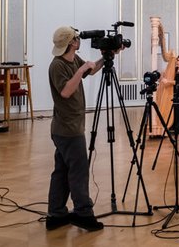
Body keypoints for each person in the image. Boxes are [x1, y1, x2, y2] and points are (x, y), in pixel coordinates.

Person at [46, 26, 111, 231]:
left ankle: (56, 214)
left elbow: (90, 70)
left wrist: (106, 58)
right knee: (79, 172)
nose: (79, 40)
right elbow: (66, 91)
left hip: (70, 127)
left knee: (62, 171)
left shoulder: (74, 59)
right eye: (76, 38)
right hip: (67, 129)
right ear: (72, 42)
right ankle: (83, 214)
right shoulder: (57, 65)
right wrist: (81, 70)